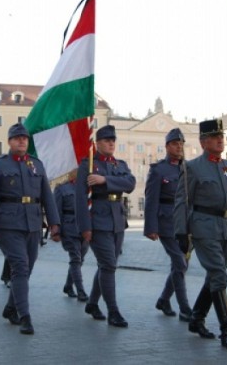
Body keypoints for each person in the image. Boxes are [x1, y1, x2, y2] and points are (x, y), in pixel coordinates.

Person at [174, 118, 227, 351]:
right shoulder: (193, 167)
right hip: (203, 227)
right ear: (203, 141)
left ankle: (196, 318)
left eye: (222, 136)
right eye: (215, 137)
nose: (220, 140)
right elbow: (182, 201)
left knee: (215, 276)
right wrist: (181, 232)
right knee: (218, 274)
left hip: (226, 228)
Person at [0, 124, 60, 334]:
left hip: (33, 223)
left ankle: (10, 308)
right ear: (9, 141)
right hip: (8, 224)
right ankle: (25, 317)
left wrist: (54, 223)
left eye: (24, 138)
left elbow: (47, 197)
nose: (22, 141)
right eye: (17, 138)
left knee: (26, 270)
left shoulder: (37, 165)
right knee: (20, 268)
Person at [76, 125, 136, 328]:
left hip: (118, 220)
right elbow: (80, 198)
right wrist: (85, 227)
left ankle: (92, 304)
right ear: (97, 143)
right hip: (97, 221)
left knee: (106, 265)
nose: (111, 143)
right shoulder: (88, 165)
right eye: (106, 140)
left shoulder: (120, 164)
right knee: (109, 265)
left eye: (113, 140)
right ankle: (113, 311)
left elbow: (130, 183)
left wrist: (105, 180)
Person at [143, 128, 191, 321]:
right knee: (180, 263)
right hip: (166, 222)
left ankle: (164, 299)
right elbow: (151, 199)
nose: (179, 147)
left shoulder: (188, 168)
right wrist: (150, 227)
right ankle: (185, 308)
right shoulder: (158, 169)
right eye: (175, 144)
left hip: (186, 223)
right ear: (167, 146)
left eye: (181, 144)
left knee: (180, 265)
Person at [55, 172, 89, 302]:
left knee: (80, 259)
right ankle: (80, 291)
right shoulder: (61, 188)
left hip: (85, 228)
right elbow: (56, 211)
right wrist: (56, 231)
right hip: (69, 227)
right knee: (75, 259)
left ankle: (68, 286)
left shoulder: (88, 188)